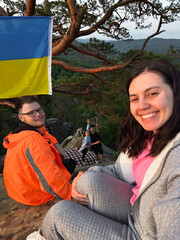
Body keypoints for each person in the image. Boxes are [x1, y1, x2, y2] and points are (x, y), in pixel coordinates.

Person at [41, 58, 180, 240]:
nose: (142, 105)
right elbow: (118, 170)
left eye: (153, 93)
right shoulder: (148, 134)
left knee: (58, 215)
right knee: (88, 180)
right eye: (134, 98)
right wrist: (80, 179)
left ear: (175, 93)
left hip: (145, 233)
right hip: (137, 209)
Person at [3, 96, 78, 206]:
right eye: (31, 113)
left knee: (67, 164)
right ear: (21, 117)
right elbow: (50, 177)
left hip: (17, 190)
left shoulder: (22, 129)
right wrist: (71, 194)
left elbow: (44, 132)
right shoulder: (34, 141)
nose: (38, 114)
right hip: (32, 195)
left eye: (39, 110)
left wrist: (57, 145)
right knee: (70, 164)